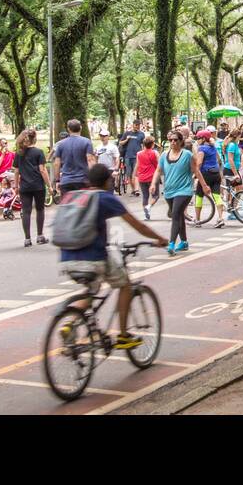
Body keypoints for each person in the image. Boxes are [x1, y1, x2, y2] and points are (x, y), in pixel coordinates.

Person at [58, 163, 166, 350]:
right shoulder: (105, 198)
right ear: (108, 181)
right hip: (93, 258)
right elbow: (138, 226)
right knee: (125, 285)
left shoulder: (75, 197)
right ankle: (123, 335)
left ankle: (70, 323)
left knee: (92, 290)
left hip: (67, 258)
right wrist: (159, 239)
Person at [12, 128, 51, 247]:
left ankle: (27, 239)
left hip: (25, 186)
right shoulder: (39, 152)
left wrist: (16, 185)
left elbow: (17, 171)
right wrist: (49, 186)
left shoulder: (19, 153)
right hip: (38, 185)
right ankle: (40, 235)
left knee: (26, 211)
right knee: (40, 209)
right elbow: (43, 170)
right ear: (34, 139)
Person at [52, 119, 96, 194]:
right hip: (83, 181)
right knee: (83, 204)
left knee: (67, 204)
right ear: (81, 128)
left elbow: (56, 164)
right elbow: (90, 160)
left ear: (68, 129)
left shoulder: (61, 144)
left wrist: (57, 180)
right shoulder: (87, 142)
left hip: (66, 181)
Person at [194, 131, 223, 224]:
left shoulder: (201, 148)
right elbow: (219, 159)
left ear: (203, 139)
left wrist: (196, 174)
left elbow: (199, 163)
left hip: (205, 174)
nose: (197, 140)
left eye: (198, 138)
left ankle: (197, 220)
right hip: (216, 174)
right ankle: (220, 218)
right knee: (217, 196)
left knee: (199, 195)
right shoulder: (213, 147)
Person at [118, 119, 146, 196]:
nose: (137, 127)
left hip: (137, 156)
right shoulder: (127, 133)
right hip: (127, 156)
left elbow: (144, 145)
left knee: (136, 173)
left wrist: (144, 153)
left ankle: (137, 190)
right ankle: (133, 189)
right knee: (129, 174)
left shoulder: (141, 134)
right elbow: (120, 143)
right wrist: (127, 139)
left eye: (139, 125)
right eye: (136, 125)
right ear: (133, 125)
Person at [135, 135, 160, 220]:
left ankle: (146, 215)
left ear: (143, 144)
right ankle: (148, 207)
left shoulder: (139, 154)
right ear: (152, 144)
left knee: (145, 196)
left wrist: (135, 174)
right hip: (152, 177)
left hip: (142, 178)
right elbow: (159, 165)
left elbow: (138, 165)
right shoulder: (155, 153)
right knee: (156, 195)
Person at [0, 138, 15, 203]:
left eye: (5, 143)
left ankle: (6, 207)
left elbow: (18, 161)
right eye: (2, 144)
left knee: (9, 192)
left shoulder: (11, 153)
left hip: (7, 176)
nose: (4, 145)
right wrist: (3, 154)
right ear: (0, 145)